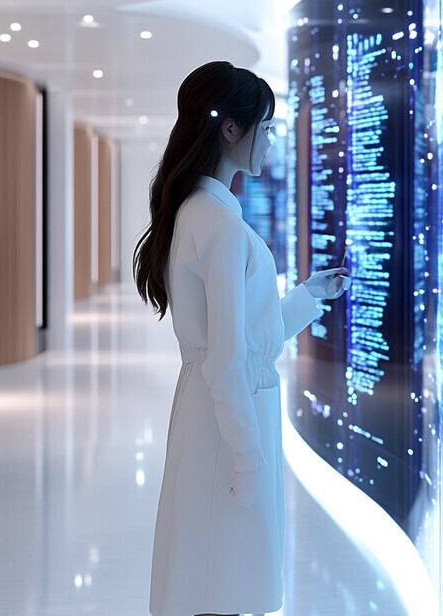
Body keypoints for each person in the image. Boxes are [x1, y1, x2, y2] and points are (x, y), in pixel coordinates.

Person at [133, 61, 351, 616]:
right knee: (222, 582)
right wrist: (247, 456)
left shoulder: (199, 213)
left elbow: (248, 340)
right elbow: (229, 361)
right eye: (267, 126)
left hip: (213, 419)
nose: (271, 140)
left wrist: (309, 294)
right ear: (231, 129)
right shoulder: (223, 226)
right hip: (227, 429)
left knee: (209, 578)